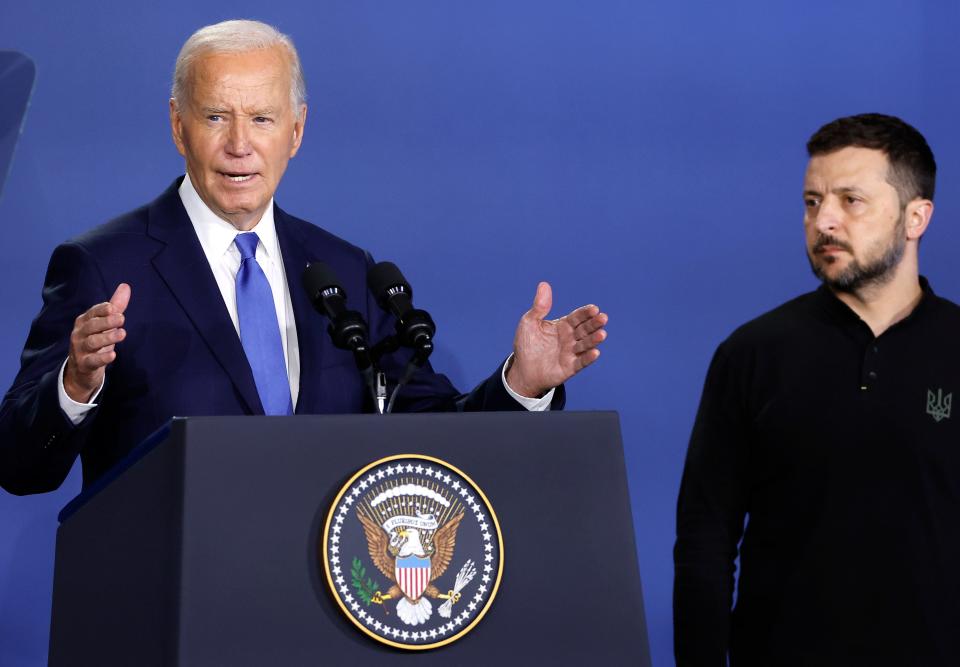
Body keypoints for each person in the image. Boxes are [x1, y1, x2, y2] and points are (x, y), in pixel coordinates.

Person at [0, 20, 608, 496]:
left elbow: (432, 437)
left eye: (262, 119)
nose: (240, 146)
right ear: (178, 126)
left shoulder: (343, 270)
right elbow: (19, 464)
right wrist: (76, 383)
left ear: (295, 131)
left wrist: (522, 384)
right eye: (216, 117)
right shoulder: (104, 266)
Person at [674, 113, 960, 666]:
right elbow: (705, 544)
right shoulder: (751, 353)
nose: (824, 220)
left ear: (915, 216)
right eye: (812, 202)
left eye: (850, 200)